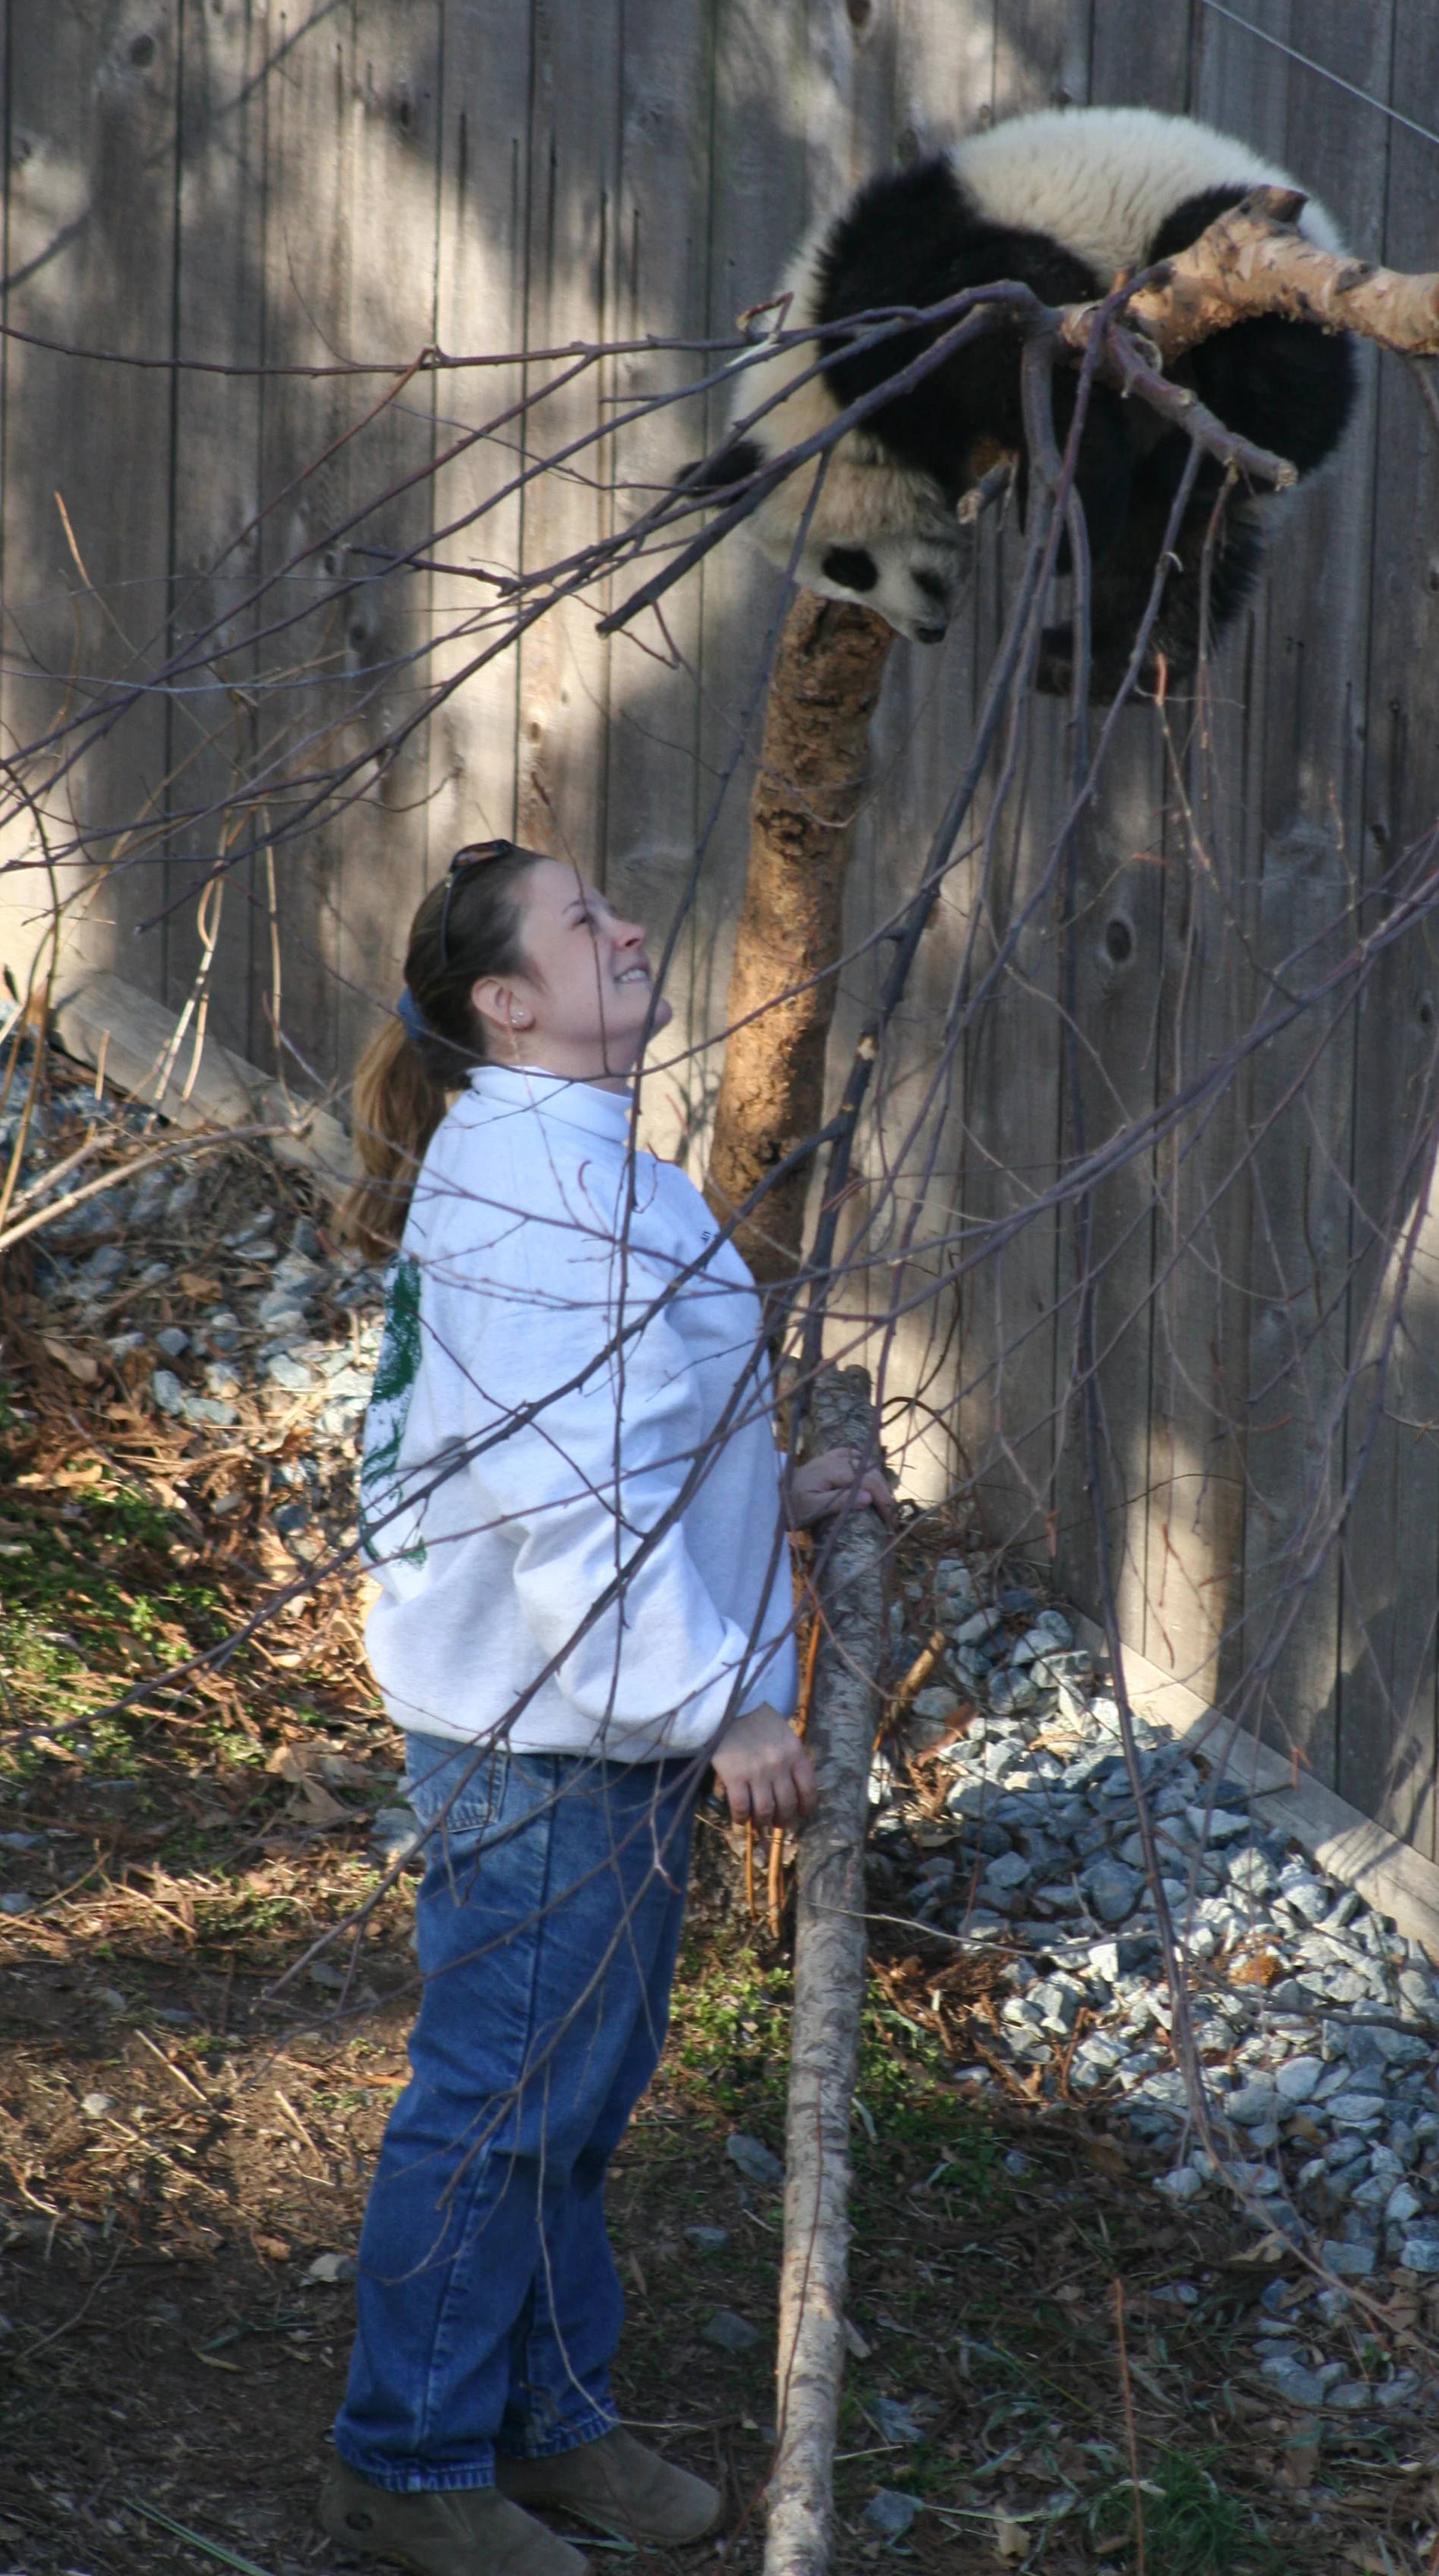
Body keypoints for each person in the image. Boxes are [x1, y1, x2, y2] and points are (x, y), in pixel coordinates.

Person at [323, 839, 889, 2576]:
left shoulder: (578, 1164)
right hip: (551, 1728)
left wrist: (763, 1495)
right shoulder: (531, 1199)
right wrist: (717, 1703)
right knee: (499, 2103)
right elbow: (561, 1508)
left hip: (584, 1706)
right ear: (507, 1003)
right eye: (584, 923)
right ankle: (407, 2462)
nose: (628, 926)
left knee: (570, 2095)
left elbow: (628, 1439)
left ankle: (548, 2419)